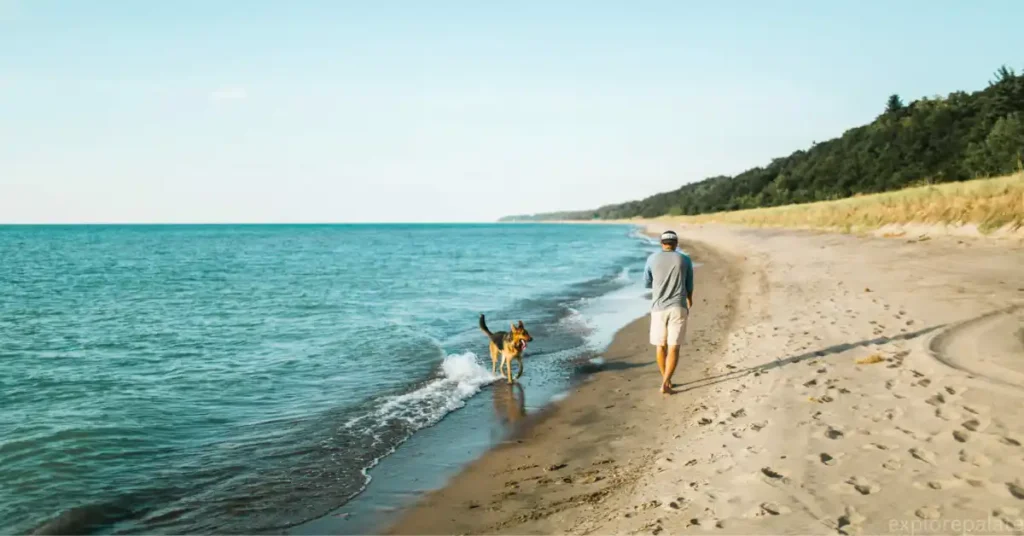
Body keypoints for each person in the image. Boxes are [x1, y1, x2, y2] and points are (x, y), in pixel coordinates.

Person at [643, 230, 694, 394]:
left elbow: (647, 282)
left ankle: (666, 380)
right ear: (676, 243)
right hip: (678, 306)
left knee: (660, 346)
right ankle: (666, 382)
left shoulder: (652, 258)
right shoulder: (684, 259)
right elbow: (689, 285)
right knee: (674, 347)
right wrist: (689, 299)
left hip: (658, 308)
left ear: (661, 243)